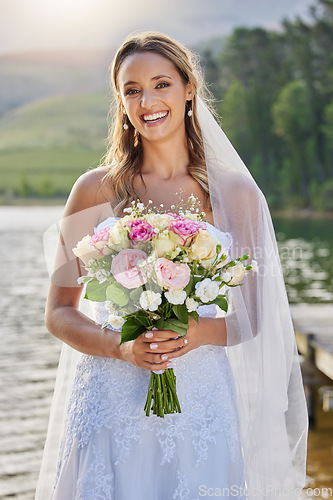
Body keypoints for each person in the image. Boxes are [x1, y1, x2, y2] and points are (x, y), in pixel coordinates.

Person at [36, 32, 308, 499]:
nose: (148, 101)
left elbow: (253, 316)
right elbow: (58, 312)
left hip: (199, 401)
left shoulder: (236, 194)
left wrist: (198, 332)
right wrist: (118, 347)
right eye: (132, 89)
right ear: (121, 102)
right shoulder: (94, 191)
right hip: (111, 396)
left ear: (188, 89)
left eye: (161, 84)